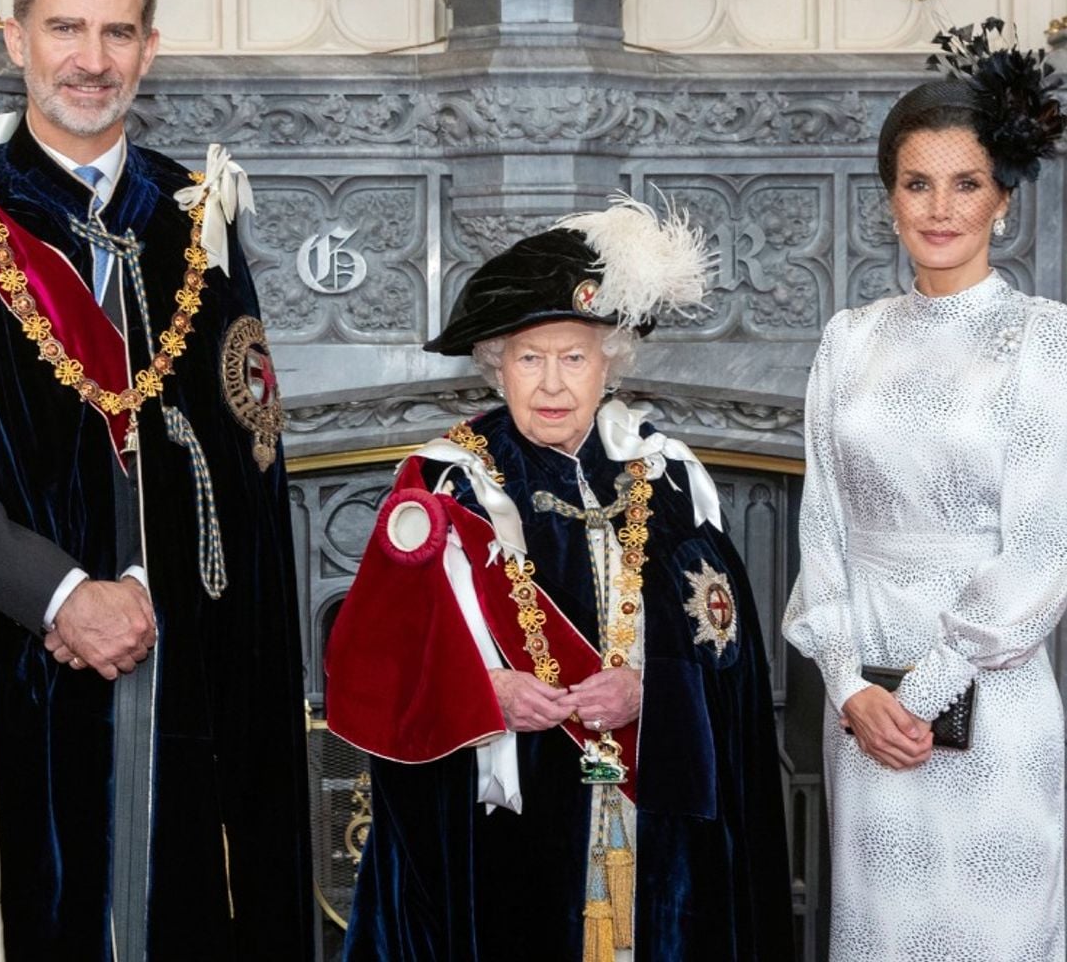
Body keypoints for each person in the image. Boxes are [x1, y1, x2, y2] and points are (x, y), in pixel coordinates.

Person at [325, 196, 794, 961]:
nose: (551, 383)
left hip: (652, 812)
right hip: (500, 827)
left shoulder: (668, 480)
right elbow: (366, 670)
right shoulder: (444, 487)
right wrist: (483, 690)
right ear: (495, 365)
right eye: (529, 357)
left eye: (574, 357)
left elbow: (727, 650)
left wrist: (650, 688)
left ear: (609, 363)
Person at [0, 0, 312, 959]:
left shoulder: (196, 216)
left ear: (150, 48)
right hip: (16, 667)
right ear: (12, 39)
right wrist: (57, 593)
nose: (92, 58)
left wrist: (173, 593)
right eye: (66, 28)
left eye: (117, 31)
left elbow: (252, 453)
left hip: (188, 679)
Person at [782, 18, 1067, 961]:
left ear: (1004, 203)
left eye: (967, 183)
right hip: (862, 700)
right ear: (890, 202)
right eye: (917, 183)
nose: (940, 207)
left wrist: (930, 688)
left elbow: (1042, 546)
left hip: (995, 696)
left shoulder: (1045, 341)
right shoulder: (847, 339)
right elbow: (820, 526)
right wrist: (850, 686)